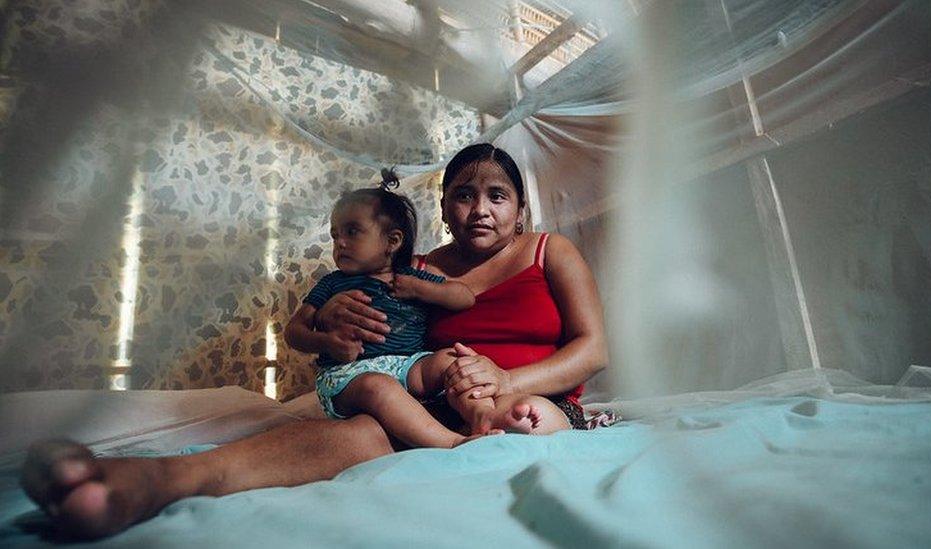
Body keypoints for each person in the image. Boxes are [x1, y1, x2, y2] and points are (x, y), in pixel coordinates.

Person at [19, 143, 608, 539]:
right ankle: (148, 483)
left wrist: (506, 379)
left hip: (533, 396)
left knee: (524, 420)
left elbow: (592, 349)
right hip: (431, 403)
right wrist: (334, 325)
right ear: (445, 209)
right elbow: (348, 340)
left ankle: (493, 439)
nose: (480, 209)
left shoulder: (547, 251)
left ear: (520, 208)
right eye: (463, 195)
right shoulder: (411, 269)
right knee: (355, 432)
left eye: (497, 196)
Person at [285, 181, 558, 448]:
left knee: (453, 359)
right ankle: (452, 442)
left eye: (352, 232)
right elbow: (294, 331)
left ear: (392, 241)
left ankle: (481, 415)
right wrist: (327, 342)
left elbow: (464, 298)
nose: (340, 243)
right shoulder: (333, 284)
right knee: (379, 388)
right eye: (335, 235)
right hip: (351, 374)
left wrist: (424, 290)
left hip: (408, 365)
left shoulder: (411, 279)